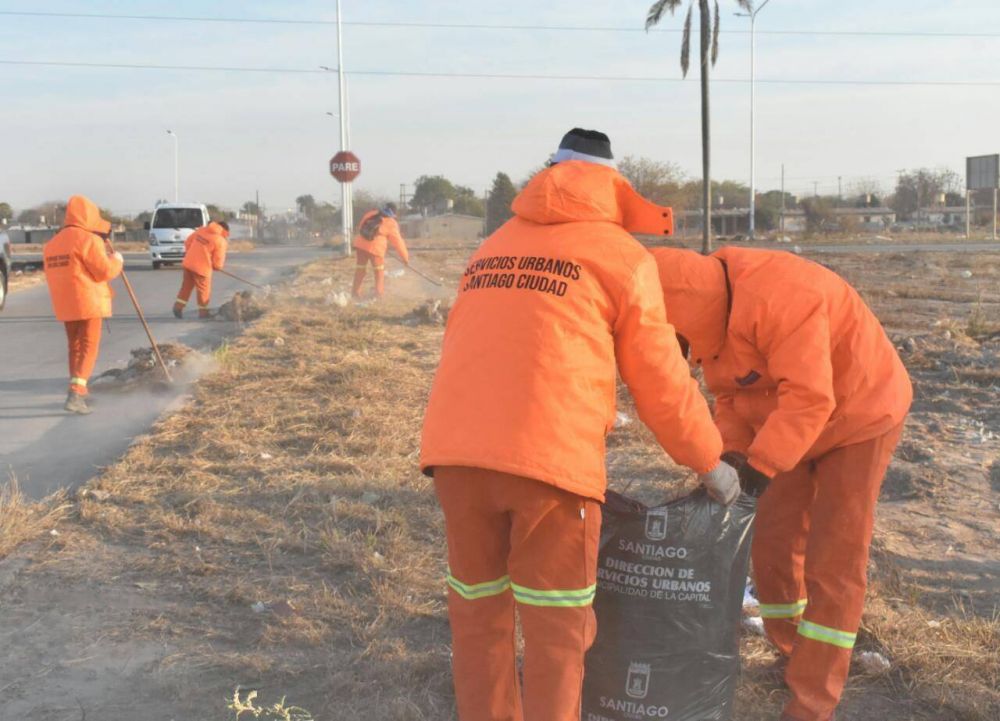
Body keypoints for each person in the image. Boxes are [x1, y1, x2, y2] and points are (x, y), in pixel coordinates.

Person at [420, 128, 740, 721]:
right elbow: (660, 378)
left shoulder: (493, 245)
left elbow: (481, 344)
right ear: (614, 187)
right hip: (550, 468)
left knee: (478, 616)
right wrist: (707, 458)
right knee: (557, 631)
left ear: (548, 173)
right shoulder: (620, 255)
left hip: (456, 458)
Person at [652, 246, 912, 721]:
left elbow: (812, 398)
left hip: (859, 413)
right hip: (789, 424)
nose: (684, 353)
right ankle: (791, 646)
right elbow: (730, 394)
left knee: (834, 557)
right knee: (772, 542)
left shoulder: (784, 296)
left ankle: (813, 698)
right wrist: (730, 454)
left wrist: (761, 467)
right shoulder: (707, 315)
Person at [43, 195, 124, 415]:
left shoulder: (52, 244)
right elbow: (104, 271)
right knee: (88, 346)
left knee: (75, 347)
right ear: (89, 216)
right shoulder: (88, 240)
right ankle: (76, 392)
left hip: (65, 303)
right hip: (89, 302)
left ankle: (80, 389)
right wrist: (117, 260)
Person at [173, 220, 229, 319]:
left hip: (189, 263)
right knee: (203, 291)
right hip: (202, 269)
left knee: (186, 287)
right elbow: (218, 261)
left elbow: (188, 242)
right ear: (225, 231)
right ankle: (203, 313)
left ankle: (178, 307)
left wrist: (192, 254)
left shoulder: (202, 230)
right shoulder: (220, 240)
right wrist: (216, 267)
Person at [351, 203, 409, 299]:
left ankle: (355, 293)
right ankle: (378, 294)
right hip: (376, 250)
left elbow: (361, 226)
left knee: (360, 270)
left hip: (360, 246)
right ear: (393, 213)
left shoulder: (371, 214)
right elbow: (398, 242)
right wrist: (405, 258)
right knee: (379, 272)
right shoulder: (391, 223)